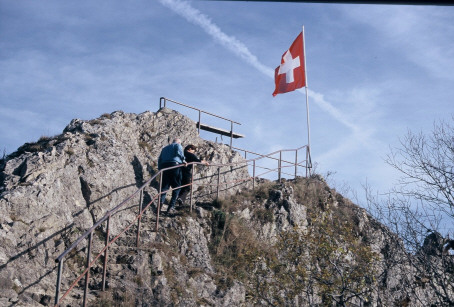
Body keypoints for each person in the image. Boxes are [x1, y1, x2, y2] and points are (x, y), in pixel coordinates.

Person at [157, 138, 186, 215]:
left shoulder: (164, 148)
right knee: (177, 187)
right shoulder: (177, 145)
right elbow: (179, 152)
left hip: (164, 167)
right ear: (179, 142)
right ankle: (171, 207)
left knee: (164, 187)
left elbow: (159, 159)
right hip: (174, 166)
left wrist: (160, 169)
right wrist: (183, 161)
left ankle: (159, 205)